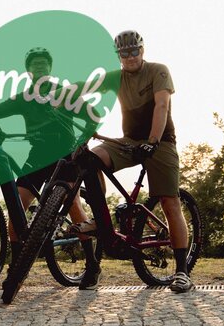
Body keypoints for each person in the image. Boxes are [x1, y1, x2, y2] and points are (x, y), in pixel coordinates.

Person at [0, 47, 100, 291]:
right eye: (35, 65)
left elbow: (92, 115)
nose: (39, 67)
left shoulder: (63, 94)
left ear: (50, 68)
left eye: (43, 64)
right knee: (17, 204)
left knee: (73, 203)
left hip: (65, 156)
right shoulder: (24, 97)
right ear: (28, 70)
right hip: (36, 156)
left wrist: (82, 141)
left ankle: (92, 264)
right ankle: (17, 264)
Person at [82, 30, 194, 293]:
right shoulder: (116, 77)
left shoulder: (158, 71)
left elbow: (161, 107)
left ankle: (182, 272)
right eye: (124, 53)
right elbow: (84, 88)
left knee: (169, 202)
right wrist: (58, 99)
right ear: (118, 56)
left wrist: (153, 140)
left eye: (134, 51)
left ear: (142, 50)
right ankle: (100, 218)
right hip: (129, 141)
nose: (130, 56)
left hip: (161, 141)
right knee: (90, 158)